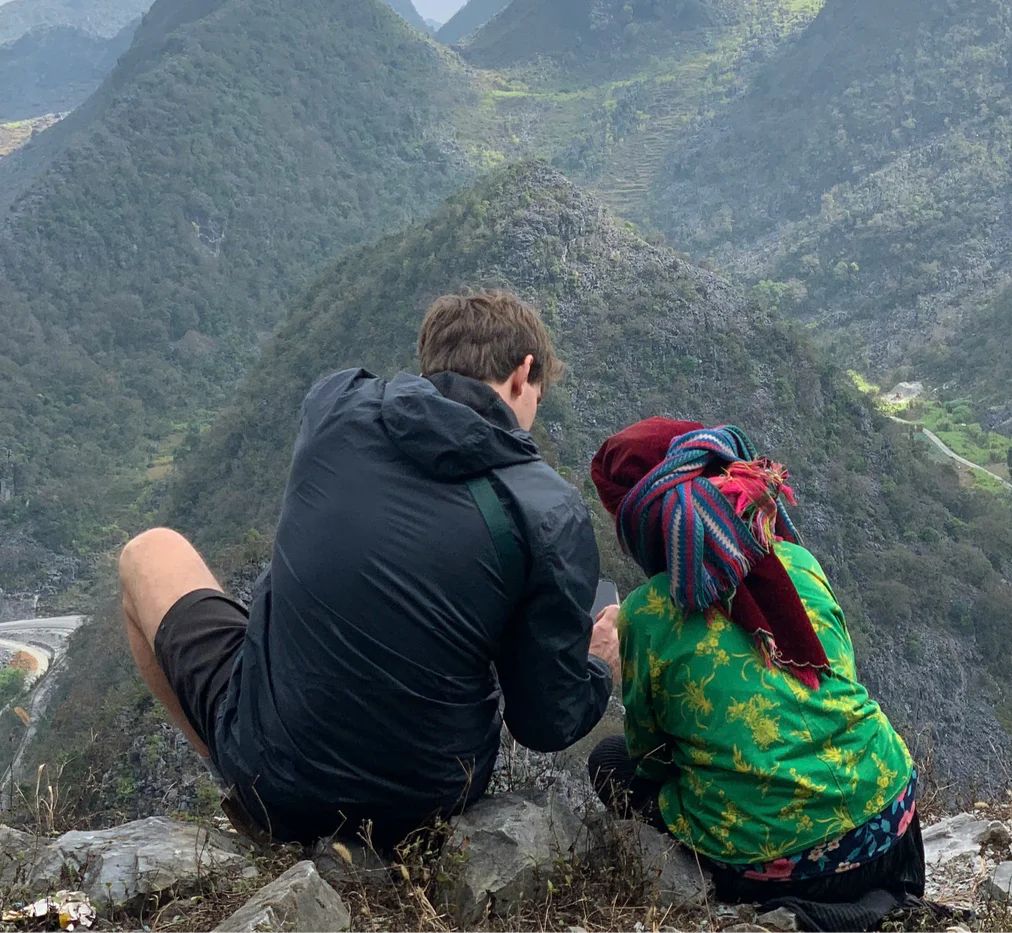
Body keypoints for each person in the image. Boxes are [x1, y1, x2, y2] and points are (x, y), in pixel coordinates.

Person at [119, 289, 620, 847]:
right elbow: (545, 725)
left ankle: (242, 779)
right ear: (524, 374)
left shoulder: (333, 405)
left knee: (148, 551)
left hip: (274, 776)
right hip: (430, 801)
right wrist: (596, 662)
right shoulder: (547, 508)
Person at [587, 418, 923, 912]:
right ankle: (880, 906)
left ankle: (809, 912)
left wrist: (621, 664)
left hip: (777, 866)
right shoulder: (797, 561)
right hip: (893, 824)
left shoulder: (647, 613)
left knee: (610, 761)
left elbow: (653, 758)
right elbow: (838, 682)